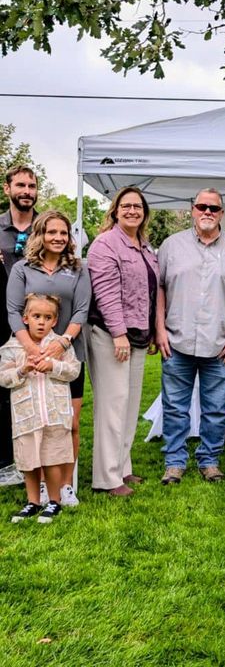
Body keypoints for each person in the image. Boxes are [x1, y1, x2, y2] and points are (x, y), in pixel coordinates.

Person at [156, 188, 225, 485]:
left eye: (214, 208)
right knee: (175, 407)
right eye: (202, 206)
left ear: (222, 213)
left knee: (215, 410)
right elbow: (159, 289)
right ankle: (174, 462)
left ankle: (209, 460)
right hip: (177, 340)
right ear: (192, 210)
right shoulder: (171, 246)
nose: (208, 212)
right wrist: (159, 329)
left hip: (220, 343)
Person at [6, 211, 91, 507]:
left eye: (63, 233)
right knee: (38, 425)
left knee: (69, 423)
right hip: (29, 356)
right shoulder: (22, 270)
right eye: (51, 232)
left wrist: (61, 343)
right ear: (39, 235)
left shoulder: (78, 269)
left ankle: (65, 485)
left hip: (68, 354)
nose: (58, 238)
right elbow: (13, 312)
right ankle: (43, 487)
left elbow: (81, 310)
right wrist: (33, 349)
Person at [87, 186, 159, 497]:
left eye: (137, 206)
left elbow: (150, 294)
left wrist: (152, 332)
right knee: (112, 406)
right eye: (126, 206)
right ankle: (106, 477)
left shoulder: (145, 247)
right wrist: (118, 334)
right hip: (110, 335)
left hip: (139, 336)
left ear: (144, 212)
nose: (132, 211)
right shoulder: (104, 245)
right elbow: (105, 294)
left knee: (129, 406)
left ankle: (122, 468)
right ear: (115, 211)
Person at [0, 293, 80, 523]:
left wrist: (53, 365)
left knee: (52, 458)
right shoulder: (13, 346)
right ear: (26, 318)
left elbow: (73, 370)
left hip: (54, 415)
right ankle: (33, 502)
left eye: (47, 317)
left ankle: (54, 501)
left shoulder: (59, 346)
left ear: (55, 321)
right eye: (36, 316)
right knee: (29, 461)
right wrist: (22, 370)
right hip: (27, 417)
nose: (41, 322)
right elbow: (3, 377)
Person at [0, 165, 38, 488]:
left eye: (32, 185)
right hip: (0, 321)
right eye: (21, 185)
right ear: (7, 188)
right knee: (2, 391)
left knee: (31, 390)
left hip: (38, 323)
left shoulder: (47, 226)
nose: (26, 190)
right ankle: (4, 464)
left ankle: (32, 463)